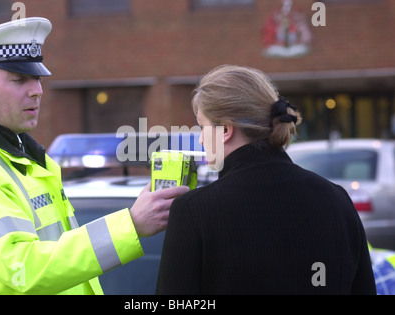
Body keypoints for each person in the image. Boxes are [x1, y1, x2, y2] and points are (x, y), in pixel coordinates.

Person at [0, 17, 188, 295]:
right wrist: (130, 224)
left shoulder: (27, 157)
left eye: (37, 78)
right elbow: (25, 268)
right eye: (19, 80)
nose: (36, 90)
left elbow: (60, 256)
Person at [156, 65, 376, 295]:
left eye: (203, 126)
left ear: (225, 130)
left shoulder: (194, 211)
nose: (201, 140)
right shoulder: (336, 199)